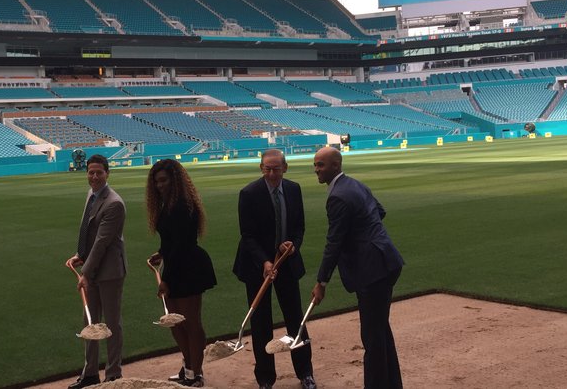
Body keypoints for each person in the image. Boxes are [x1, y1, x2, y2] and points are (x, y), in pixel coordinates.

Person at [310, 146, 404, 389]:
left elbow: (334, 242)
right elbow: (379, 212)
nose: (316, 170)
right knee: (380, 330)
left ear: (336, 166)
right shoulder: (356, 184)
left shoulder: (338, 196)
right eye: (315, 164)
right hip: (386, 261)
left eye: (321, 165)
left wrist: (321, 282)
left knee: (372, 338)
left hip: (372, 270)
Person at [234, 149, 316, 389]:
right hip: (257, 267)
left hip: (287, 265)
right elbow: (247, 235)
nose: (271, 173)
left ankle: (305, 373)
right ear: (261, 168)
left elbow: (299, 227)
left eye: (275, 168)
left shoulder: (293, 189)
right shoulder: (249, 193)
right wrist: (265, 261)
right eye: (266, 168)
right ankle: (266, 379)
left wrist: (292, 246)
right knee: (261, 324)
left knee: (296, 320)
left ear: (285, 168)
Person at [146, 159, 216, 388]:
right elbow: (171, 241)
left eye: (164, 180)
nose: (159, 186)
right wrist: (161, 253)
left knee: (191, 323)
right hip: (175, 264)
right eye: (156, 182)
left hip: (189, 268)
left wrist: (165, 279)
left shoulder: (183, 205)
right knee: (176, 323)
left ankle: (197, 373)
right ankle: (188, 368)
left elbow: (182, 244)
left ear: (175, 180)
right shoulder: (168, 204)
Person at [65, 154, 127, 389]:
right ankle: (90, 373)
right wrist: (80, 255)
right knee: (90, 323)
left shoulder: (114, 203)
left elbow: (102, 242)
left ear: (107, 173)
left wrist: (85, 274)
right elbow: (89, 234)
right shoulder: (91, 195)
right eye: (91, 172)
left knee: (111, 324)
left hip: (110, 271)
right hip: (92, 267)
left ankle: (113, 375)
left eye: (99, 172)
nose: (94, 176)